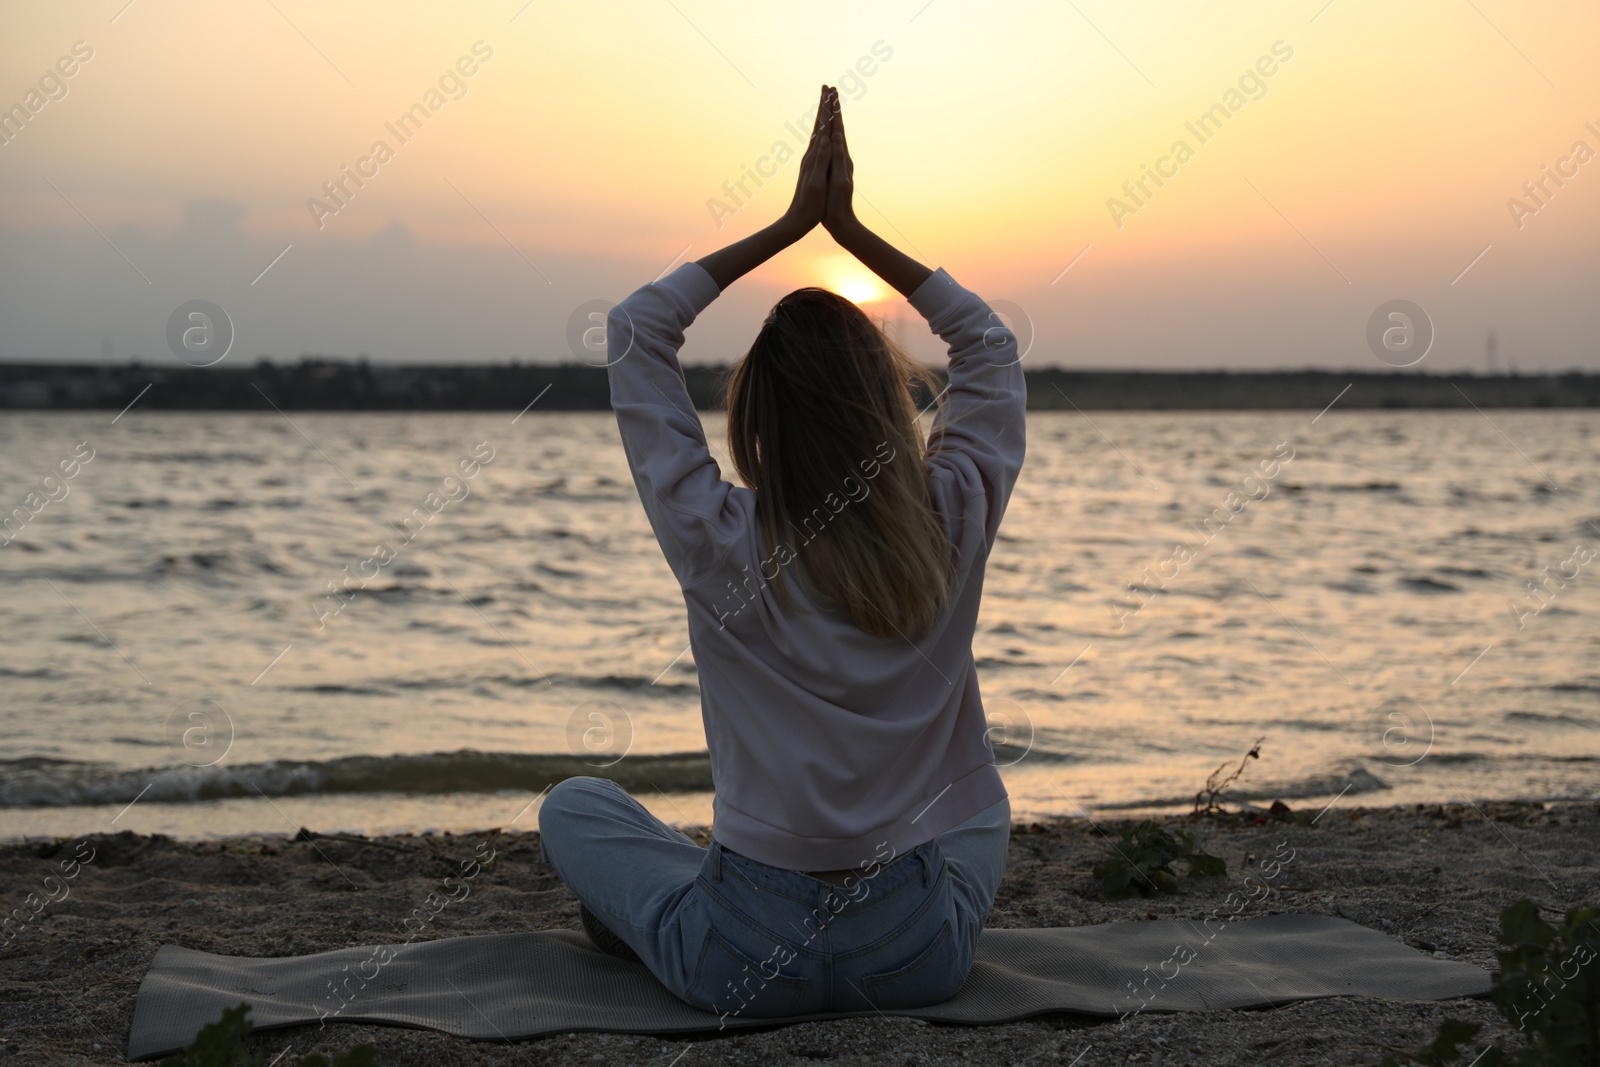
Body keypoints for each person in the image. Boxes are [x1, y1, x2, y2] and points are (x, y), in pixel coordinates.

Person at [538, 84, 1026, 1021]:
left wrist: (789, 224)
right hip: (916, 956)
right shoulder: (951, 520)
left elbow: (637, 329)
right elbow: (990, 349)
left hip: (740, 960)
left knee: (575, 804)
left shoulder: (717, 538)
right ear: (888, 407)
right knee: (981, 800)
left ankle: (657, 906)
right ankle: (678, 893)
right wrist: (851, 230)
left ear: (756, 420)